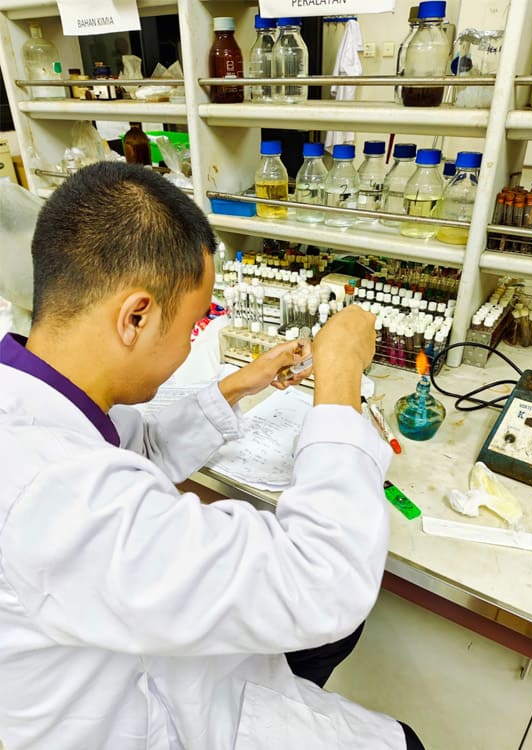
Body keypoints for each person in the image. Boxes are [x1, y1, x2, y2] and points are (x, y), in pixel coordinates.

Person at [0, 163, 422, 749]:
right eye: (194, 325)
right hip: (143, 721)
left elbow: (137, 448)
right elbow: (324, 579)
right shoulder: (52, 494)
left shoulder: (36, 394)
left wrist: (240, 384)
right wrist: (340, 377)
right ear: (135, 317)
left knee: (322, 644)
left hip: (142, 656)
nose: (193, 340)